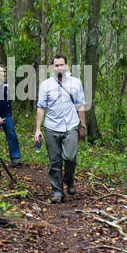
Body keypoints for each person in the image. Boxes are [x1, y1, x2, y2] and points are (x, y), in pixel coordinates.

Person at [34, 53, 86, 203]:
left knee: (70, 157)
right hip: (51, 126)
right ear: (52, 67)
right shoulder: (46, 85)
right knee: (54, 161)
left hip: (71, 125)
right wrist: (38, 129)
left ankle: (69, 181)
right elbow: (41, 108)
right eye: (56, 65)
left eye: (61, 65)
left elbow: (80, 105)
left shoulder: (76, 83)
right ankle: (57, 191)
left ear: (66, 65)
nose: (59, 68)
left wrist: (82, 125)